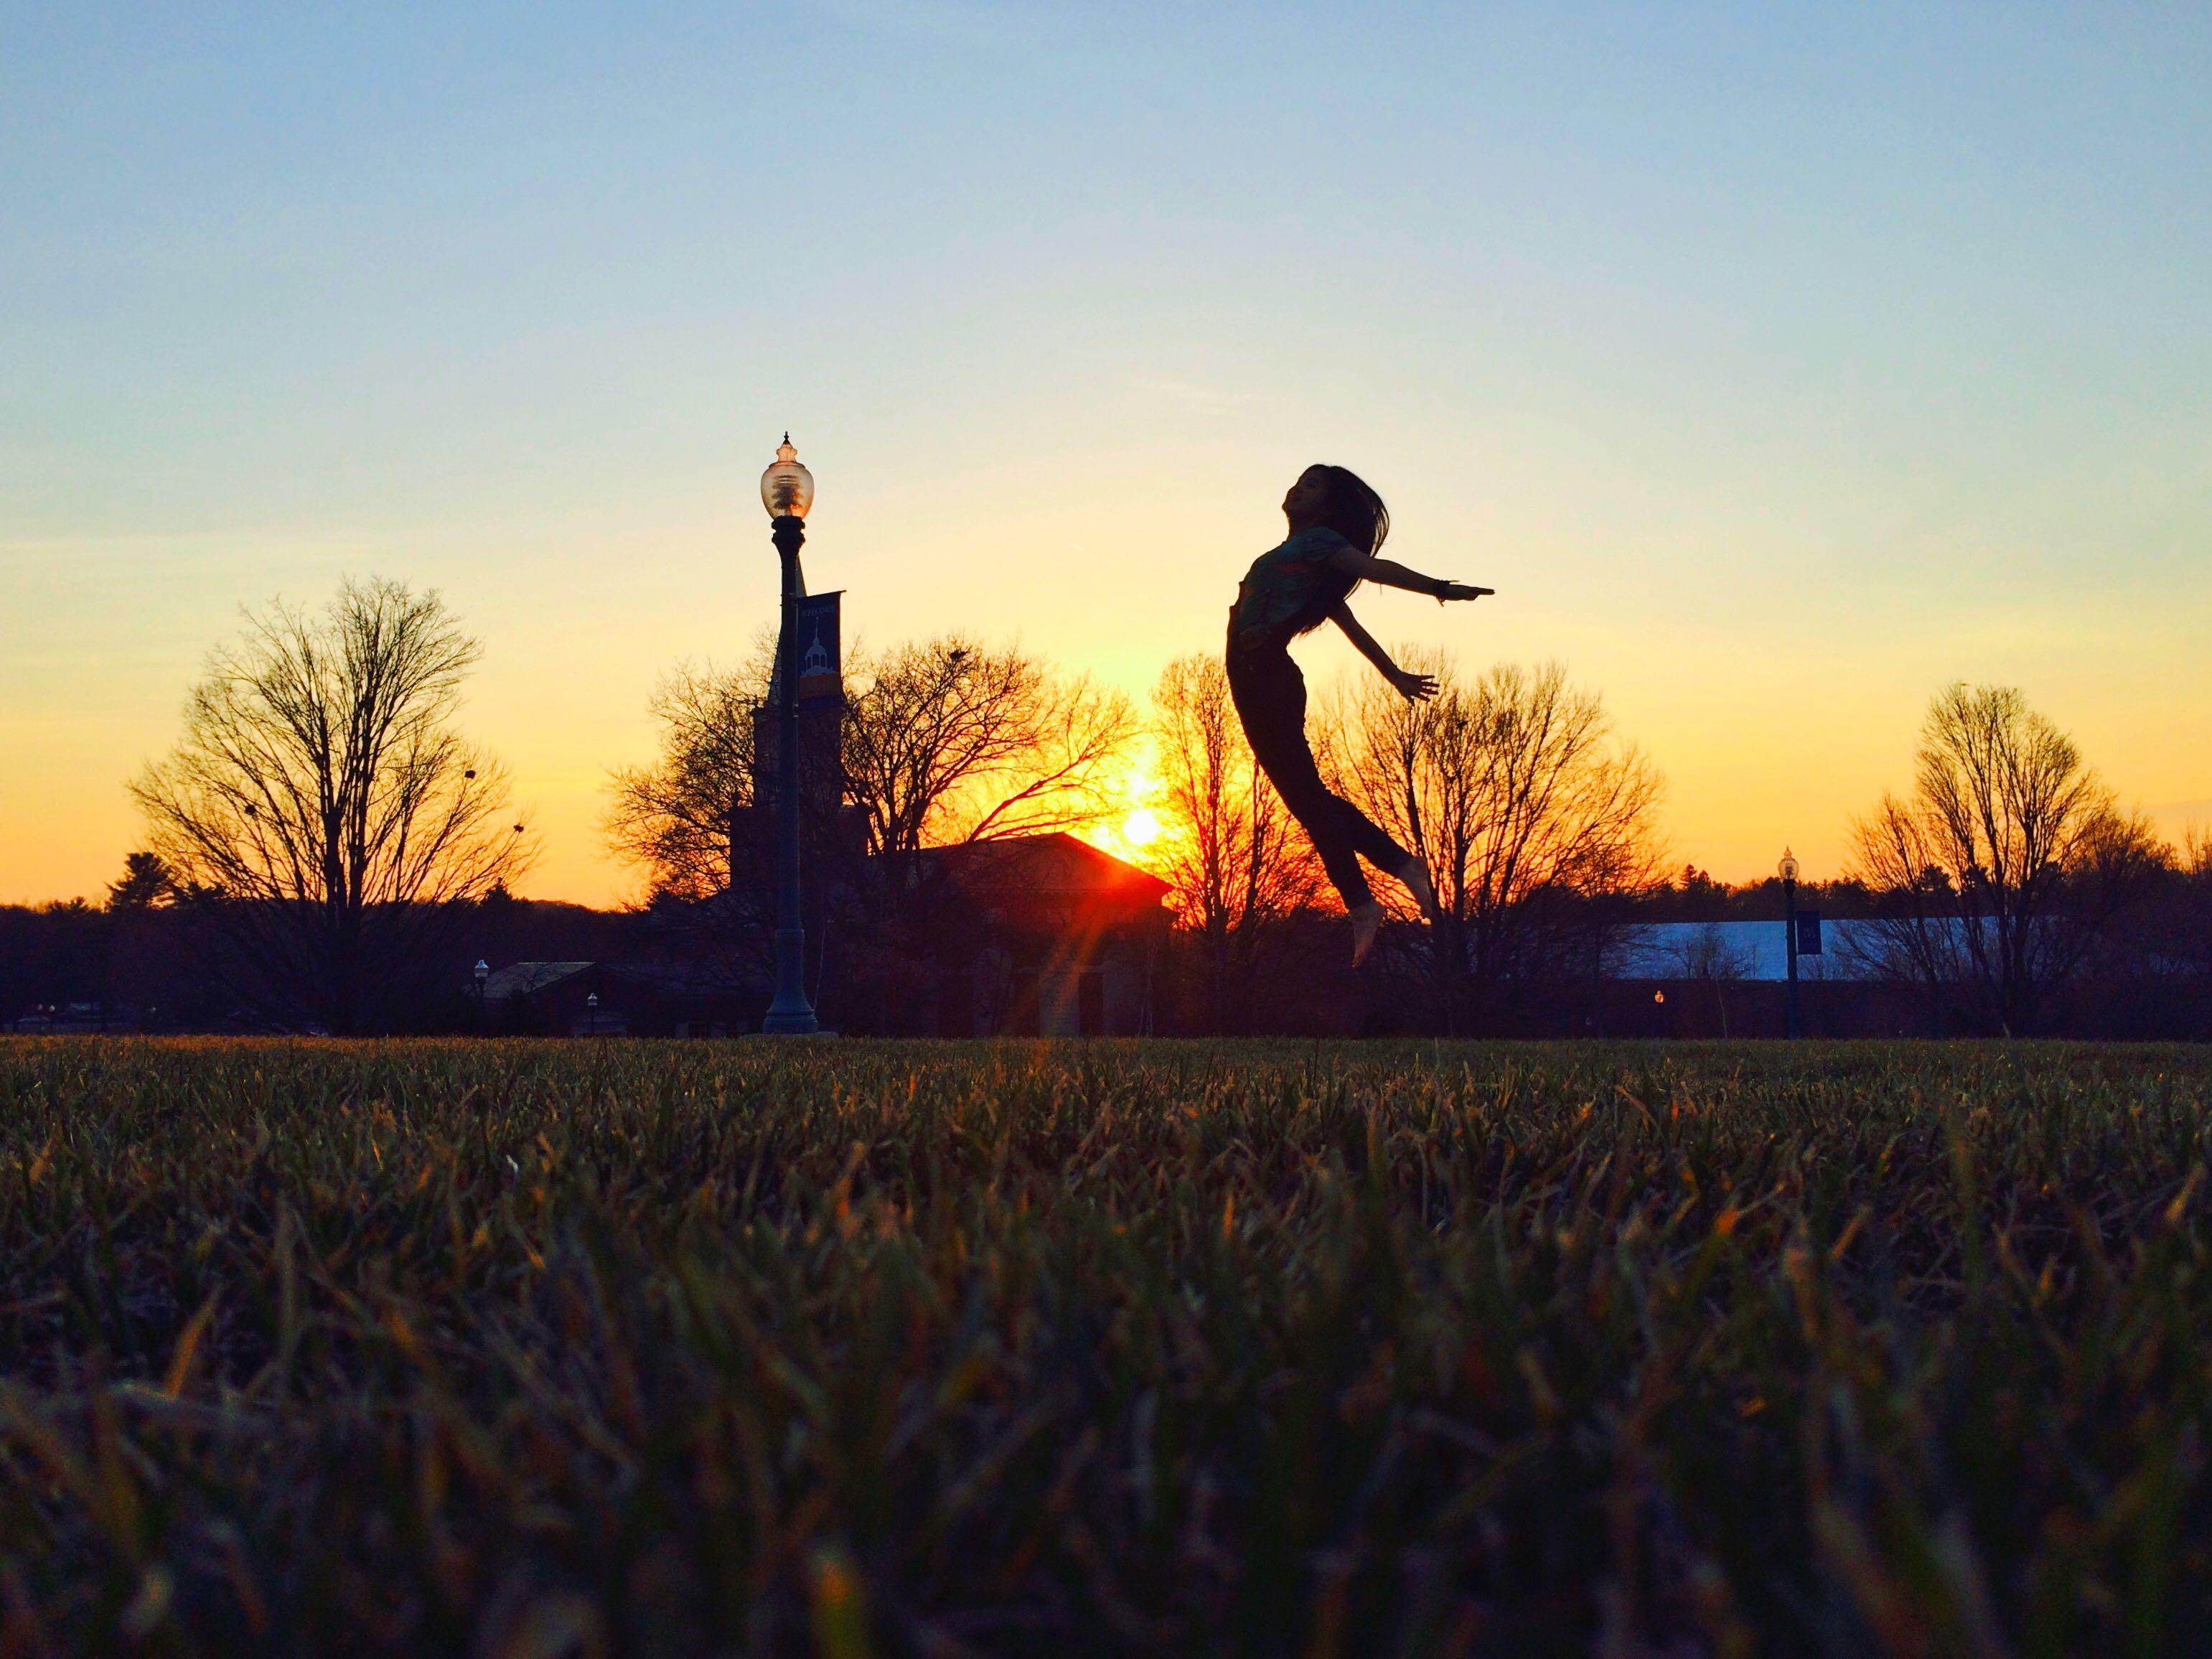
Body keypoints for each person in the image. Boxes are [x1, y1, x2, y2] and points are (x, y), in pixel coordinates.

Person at [1226, 464, 1491, 965]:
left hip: (1266, 681)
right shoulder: (1300, 559)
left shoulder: (1322, 543)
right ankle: (1390, 877)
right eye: (1299, 479)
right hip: (1255, 684)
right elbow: (1349, 623)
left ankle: (1370, 896)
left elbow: (1376, 570)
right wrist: (1393, 673)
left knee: (1310, 801)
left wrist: (1437, 586)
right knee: (1311, 801)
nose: (1296, 487)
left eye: (1311, 486)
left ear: (1326, 508)